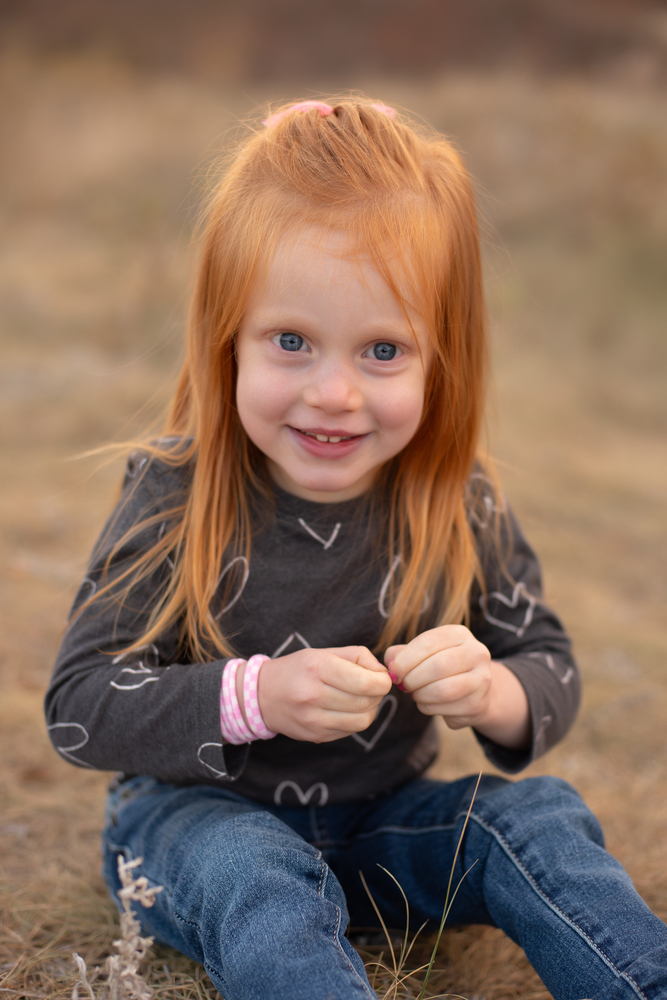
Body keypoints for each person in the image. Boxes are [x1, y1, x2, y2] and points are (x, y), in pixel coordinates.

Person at [45, 98, 667, 1000]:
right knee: (254, 867)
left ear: (440, 359)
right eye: (291, 342)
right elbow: (79, 705)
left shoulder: (455, 498)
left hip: (383, 830)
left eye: (382, 350)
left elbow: (549, 665)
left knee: (539, 818)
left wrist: (489, 690)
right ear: (227, 341)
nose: (333, 393)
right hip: (196, 824)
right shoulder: (173, 492)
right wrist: (254, 697)